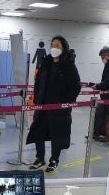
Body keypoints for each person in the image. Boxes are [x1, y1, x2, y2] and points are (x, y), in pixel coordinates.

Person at [27, 36, 81, 173]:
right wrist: (37, 98)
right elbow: (38, 82)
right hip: (42, 107)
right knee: (38, 132)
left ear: (63, 48)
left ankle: (54, 160)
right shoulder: (46, 63)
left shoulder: (69, 66)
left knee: (57, 134)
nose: (53, 48)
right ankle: (40, 158)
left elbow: (75, 87)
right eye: (52, 45)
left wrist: (66, 102)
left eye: (57, 45)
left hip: (58, 110)